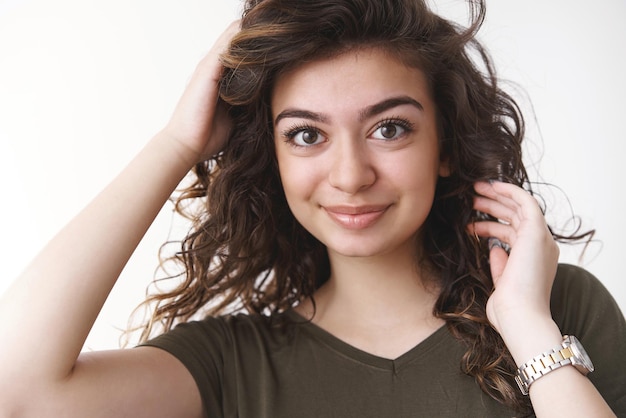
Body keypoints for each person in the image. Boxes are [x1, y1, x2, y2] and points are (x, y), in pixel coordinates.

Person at [0, 0, 624, 416]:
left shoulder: (556, 310)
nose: (351, 175)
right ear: (272, 156)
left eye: (390, 129)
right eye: (306, 134)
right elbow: (19, 391)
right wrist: (176, 144)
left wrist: (528, 330)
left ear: (445, 144)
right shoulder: (233, 366)